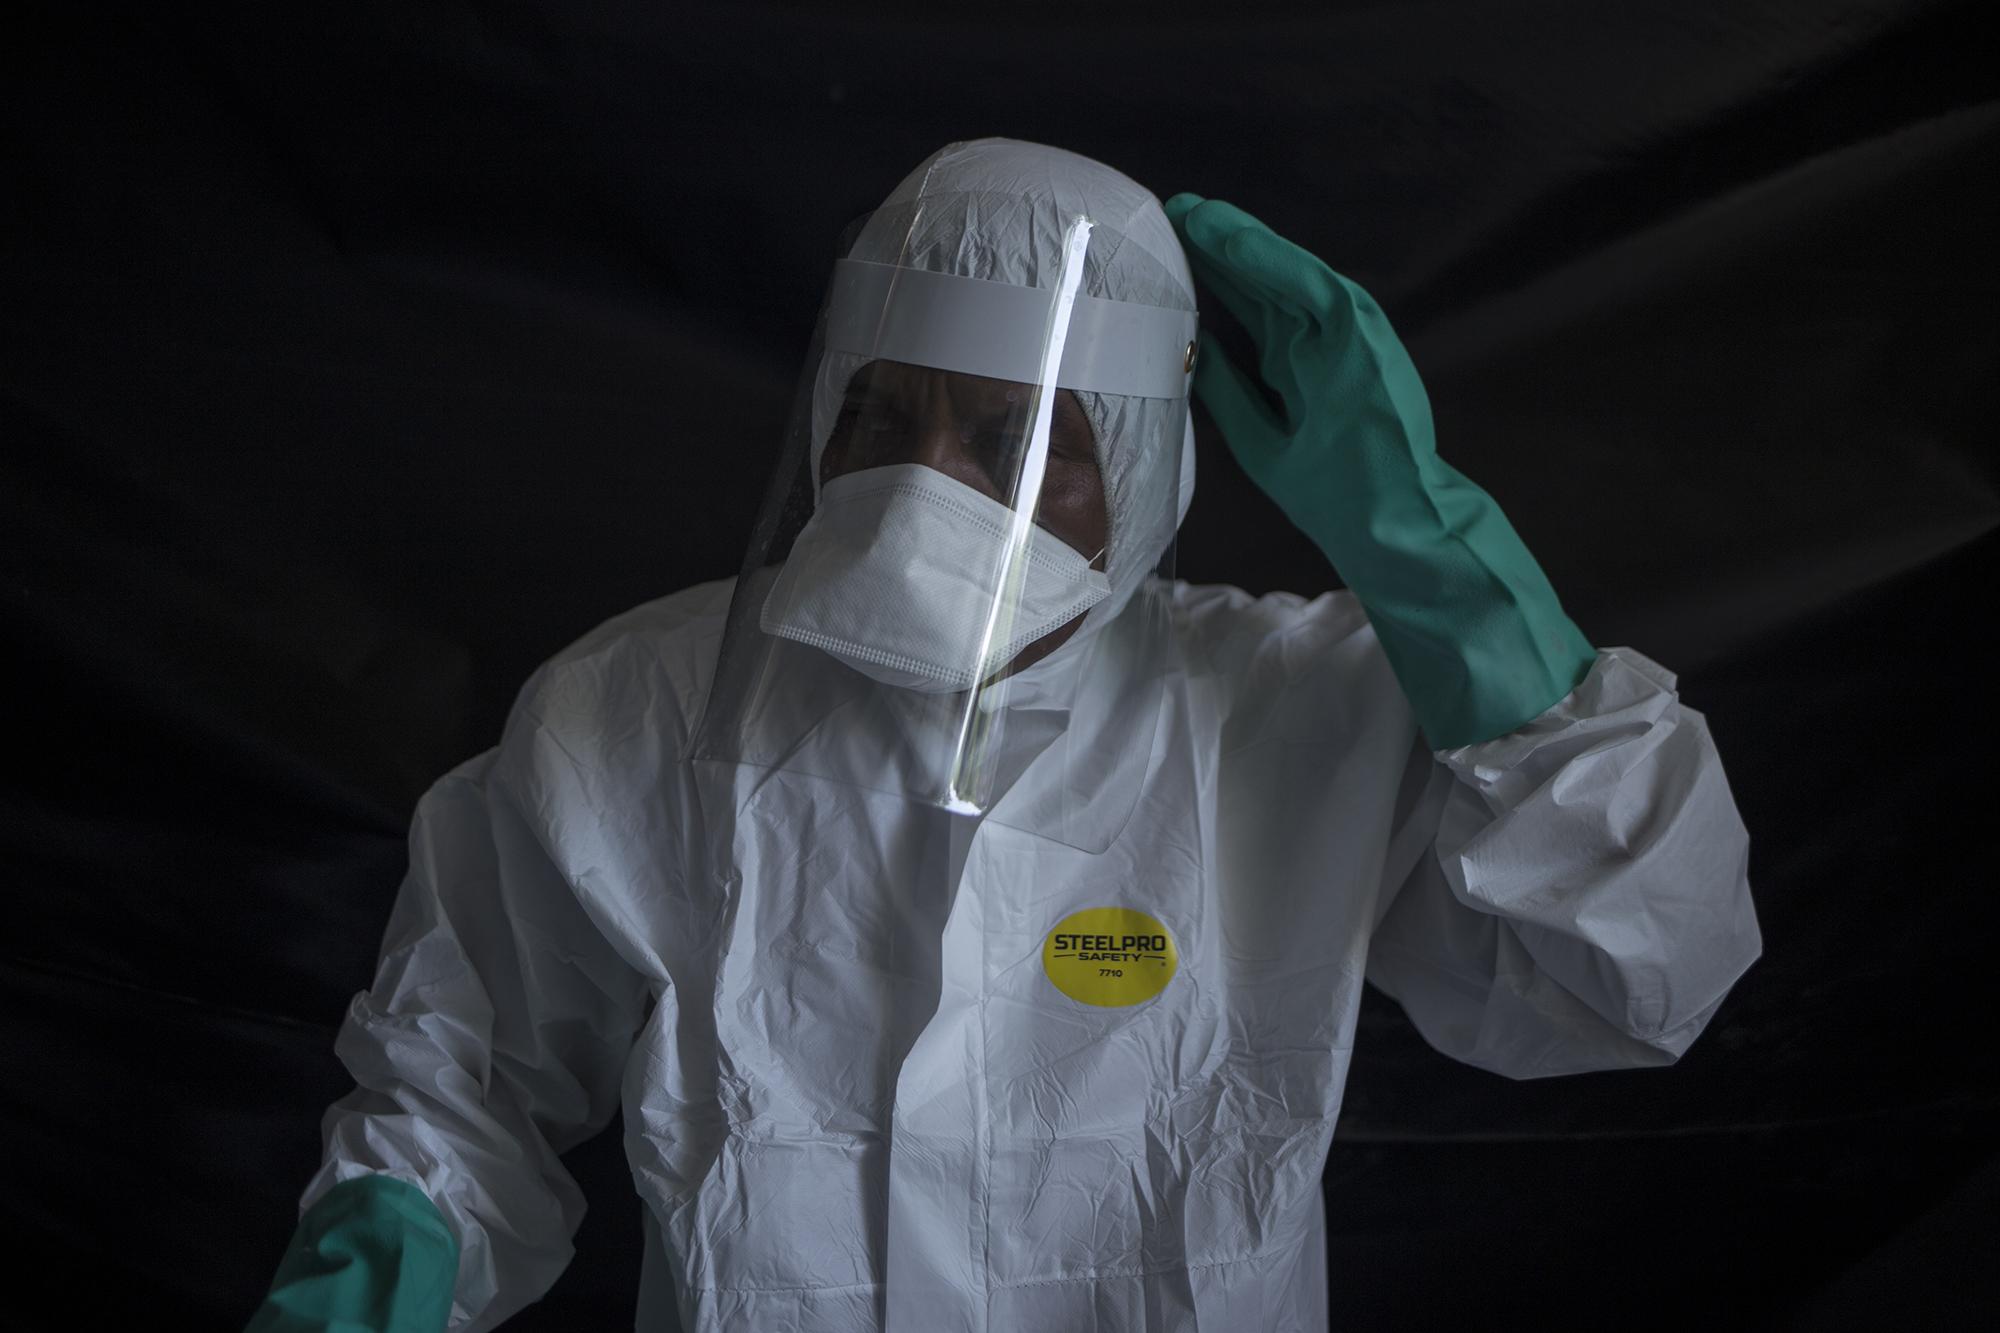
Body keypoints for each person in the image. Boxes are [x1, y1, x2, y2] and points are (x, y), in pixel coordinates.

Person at [248, 137, 1763, 1333]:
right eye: (882, 419)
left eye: (1020, 439)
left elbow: (1640, 974)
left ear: (1152, 465)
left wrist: (1436, 566)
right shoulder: (640, 712)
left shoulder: (1308, 715)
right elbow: (463, 1086)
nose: (926, 487)